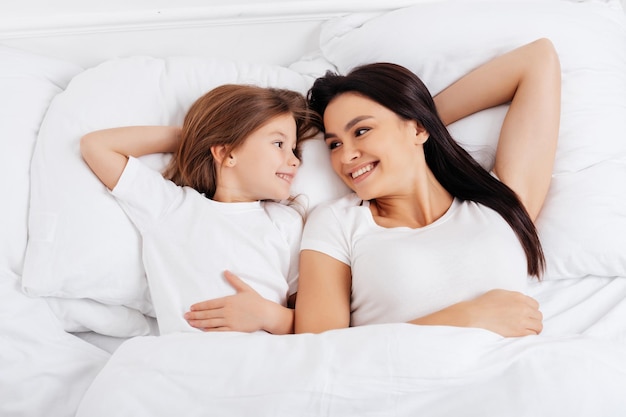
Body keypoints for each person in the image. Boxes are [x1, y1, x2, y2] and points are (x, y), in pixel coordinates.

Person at [294, 38, 561, 337]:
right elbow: (320, 350)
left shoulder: (499, 207)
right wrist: (466, 318)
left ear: (418, 128)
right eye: (334, 144)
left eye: (362, 130)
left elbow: (538, 60)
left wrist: (424, 118)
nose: (346, 156)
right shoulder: (337, 223)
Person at [80, 84, 317, 335]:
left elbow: (315, 322)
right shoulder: (171, 207)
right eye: (279, 143)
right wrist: (195, 138)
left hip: (265, 358)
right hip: (191, 359)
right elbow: (95, 146)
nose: (295, 160)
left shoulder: (285, 223)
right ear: (226, 152)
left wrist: (268, 316)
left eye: (293, 148)